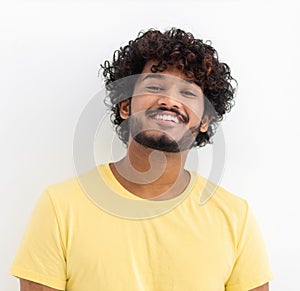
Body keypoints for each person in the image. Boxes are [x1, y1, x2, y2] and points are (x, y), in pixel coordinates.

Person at [10, 28, 273, 291]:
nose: (169, 100)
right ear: (126, 106)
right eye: (155, 86)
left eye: (189, 93)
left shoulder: (236, 217)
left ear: (204, 120)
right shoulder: (60, 206)